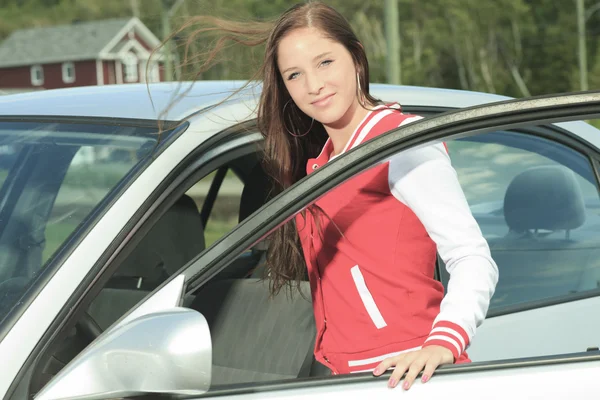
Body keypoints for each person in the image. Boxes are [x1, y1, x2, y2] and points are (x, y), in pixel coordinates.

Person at [168, 0, 498, 390]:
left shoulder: (399, 143)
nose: (313, 85)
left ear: (356, 57)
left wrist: (443, 343)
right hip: (345, 377)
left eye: (325, 62)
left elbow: (472, 257)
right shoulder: (322, 165)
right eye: (294, 75)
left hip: (406, 375)